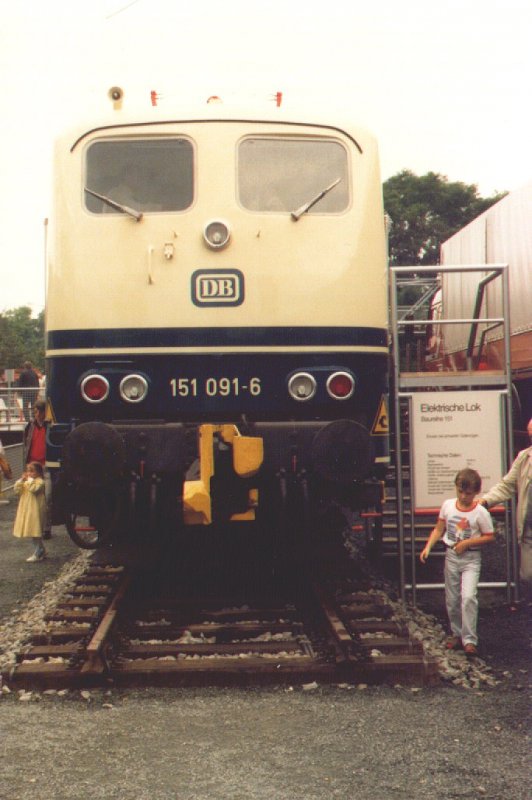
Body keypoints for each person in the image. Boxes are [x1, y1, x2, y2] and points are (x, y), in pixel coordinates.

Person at [420, 468, 495, 656]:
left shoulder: (480, 512)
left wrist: (468, 542)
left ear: (476, 492)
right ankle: (456, 633)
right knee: (452, 598)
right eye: (460, 492)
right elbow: (439, 528)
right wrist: (428, 546)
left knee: (468, 597)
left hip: (471, 558)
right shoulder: (448, 506)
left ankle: (470, 639)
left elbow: (489, 536)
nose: (463, 496)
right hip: (452, 555)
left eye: (468, 493)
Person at [478, 418, 532, 597]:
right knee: (528, 574)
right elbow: (507, 485)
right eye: (530, 434)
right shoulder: (524, 457)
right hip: (529, 527)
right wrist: (485, 501)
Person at [23, 400, 52, 539]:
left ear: (41, 412)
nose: (35, 414)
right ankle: (36, 527)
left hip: (45, 465)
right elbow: (26, 446)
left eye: (36, 411)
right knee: (32, 498)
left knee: (47, 497)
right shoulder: (30, 426)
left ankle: (46, 528)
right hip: (33, 466)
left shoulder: (49, 426)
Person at [12, 461, 47, 562]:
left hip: (36, 509)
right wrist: (21, 481)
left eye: (32, 471)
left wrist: (30, 480)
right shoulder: (28, 481)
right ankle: (40, 549)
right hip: (28, 509)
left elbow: (34, 489)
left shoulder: (40, 482)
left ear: (39, 473)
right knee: (32, 531)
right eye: (28, 471)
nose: (29, 473)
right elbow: (17, 490)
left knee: (35, 530)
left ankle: (39, 551)